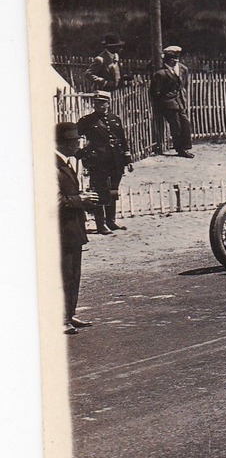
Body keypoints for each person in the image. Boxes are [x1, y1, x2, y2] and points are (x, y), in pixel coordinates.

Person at [56, 122, 96, 334]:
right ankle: (62, 319)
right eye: (73, 141)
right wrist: (79, 199)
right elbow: (53, 201)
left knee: (73, 273)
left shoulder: (67, 162)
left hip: (73, 228)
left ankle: (69, 314)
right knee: (64, 274)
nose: (76, 145)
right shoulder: (51, 165)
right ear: (62, 143)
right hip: (61, 231)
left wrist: (85, 201)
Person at [78, 91, 132, 234]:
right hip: (98, 161)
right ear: (94, 104)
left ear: (108, 103)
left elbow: (122, 139)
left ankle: (111, 221)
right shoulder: (86, 121)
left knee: (113, 190)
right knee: (98, 192)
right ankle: (100, 224)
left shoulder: (115, 119)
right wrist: (83, 153)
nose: (100, 105)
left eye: (103, 103)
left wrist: (127, 159)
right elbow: (76, 137)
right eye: (97, 103)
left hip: (115, 160)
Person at [148, 45, 194, 157]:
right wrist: (163, 103)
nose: (176, 61)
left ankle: (186, 146)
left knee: (185, 123)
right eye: (174, 59)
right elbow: (155, 92)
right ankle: (180, 149)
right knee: (176, 126)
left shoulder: (175, 71)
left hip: (178, 102)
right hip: (168, 104)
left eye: (177, 59)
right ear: (168, 60)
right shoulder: (161, 73)